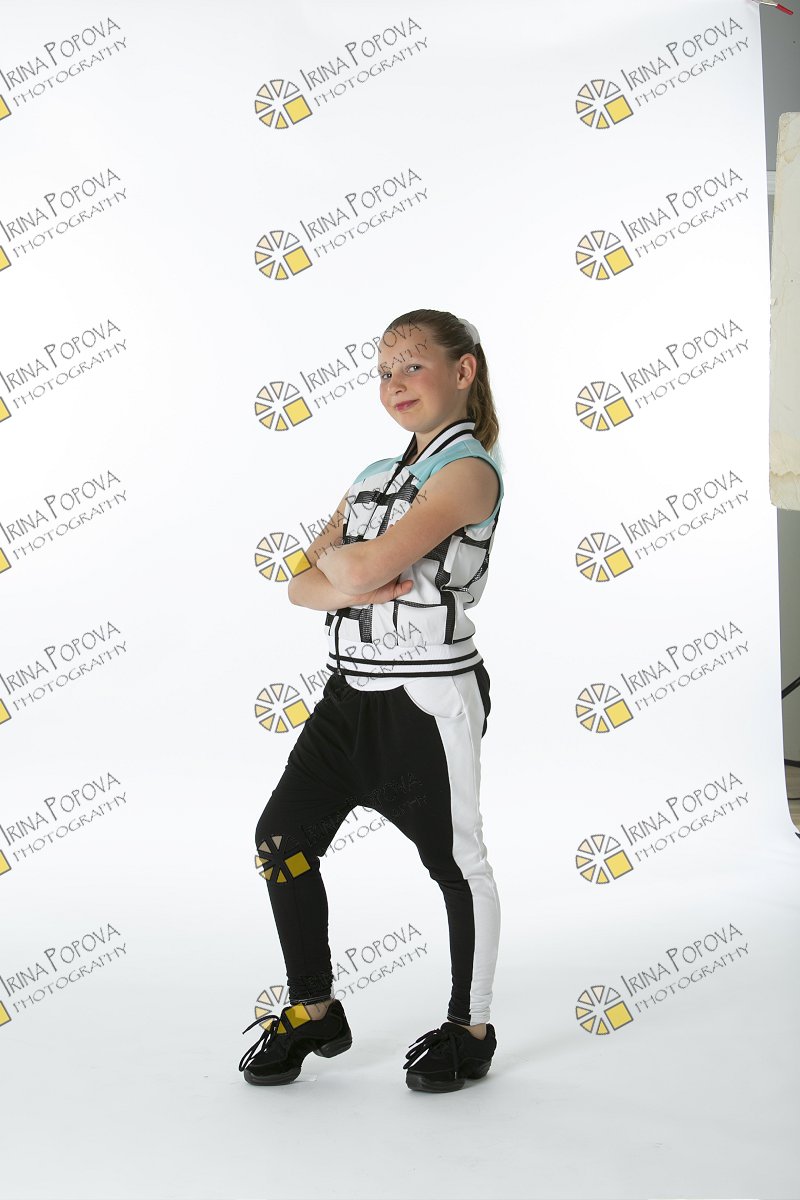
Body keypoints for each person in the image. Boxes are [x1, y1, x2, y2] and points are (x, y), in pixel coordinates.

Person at [238, 308, 505, 1093]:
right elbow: (299, 584)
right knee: (281, 838)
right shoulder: (371, 476)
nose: (395, 383)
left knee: (456, 864)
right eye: (385, 371)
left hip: (426, 702)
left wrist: (346, 569)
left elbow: (347, 569)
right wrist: (347, 573)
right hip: (347, 697)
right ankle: (313, 1009)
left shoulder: (469, 472)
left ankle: (470, 1029)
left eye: (413, 364)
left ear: (463, 371)